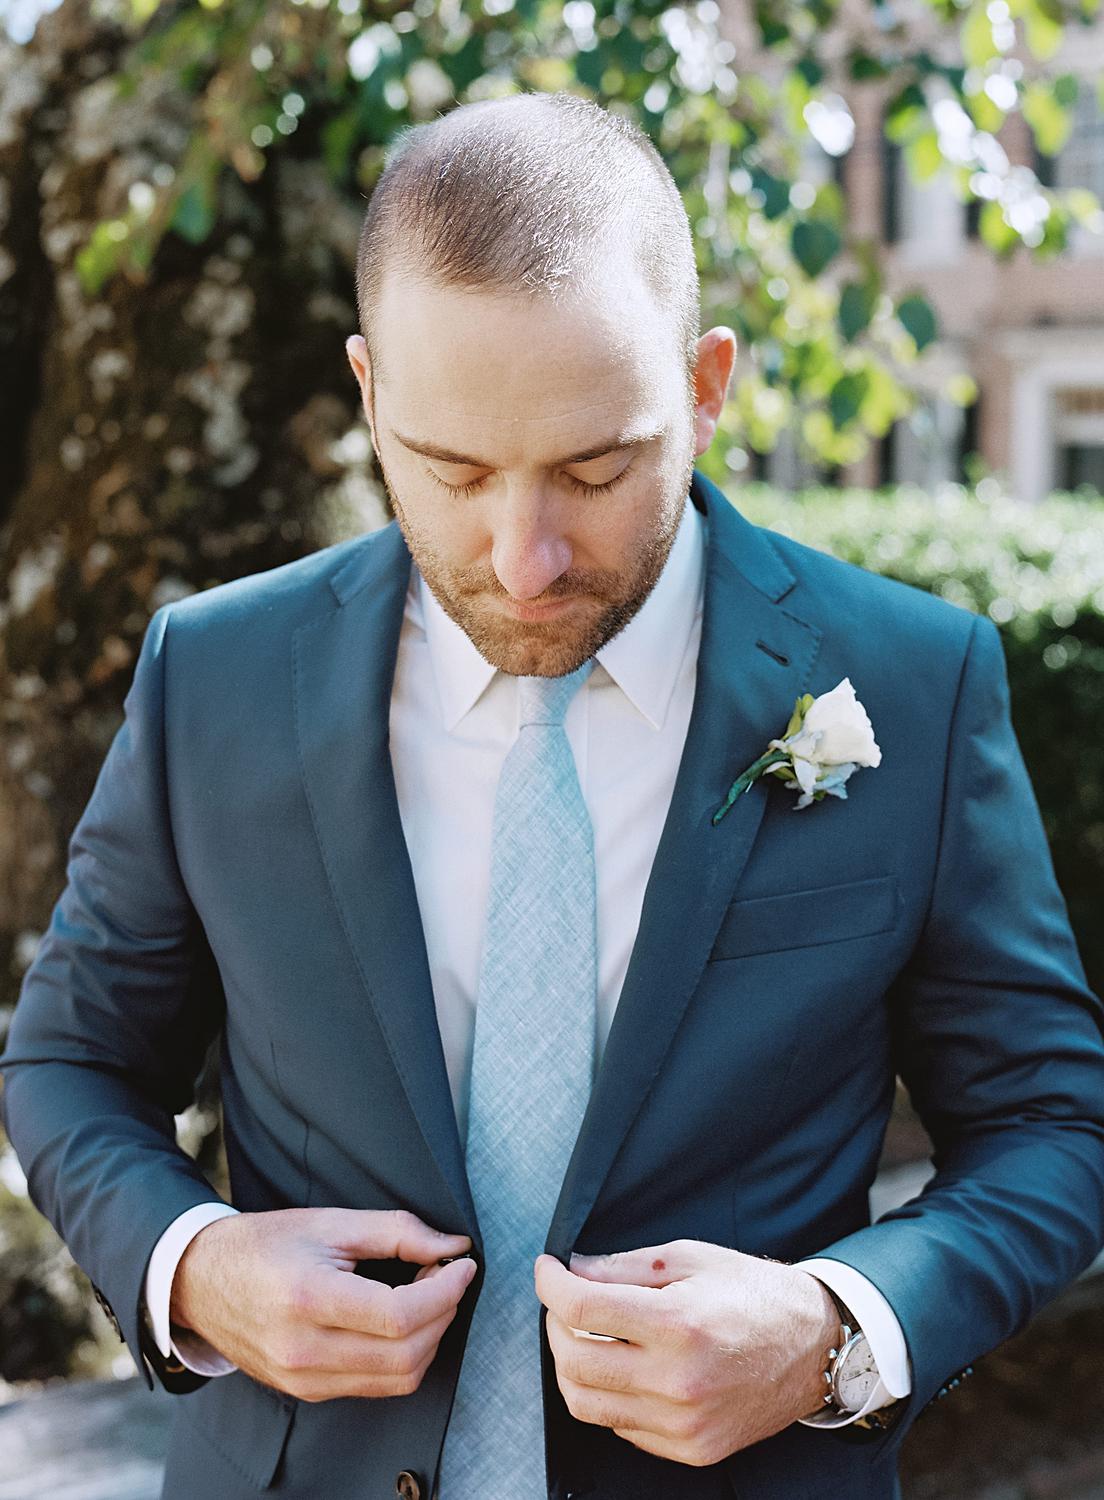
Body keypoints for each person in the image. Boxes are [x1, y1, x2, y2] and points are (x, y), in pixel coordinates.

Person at [3, 89, 1103, 1500]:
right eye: (452, 472)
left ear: (705, 388)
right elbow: (71, 1065)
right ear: (368, 392)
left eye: (597, 470)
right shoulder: (215, 677)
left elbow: (1051, 1126)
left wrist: (837, 1332)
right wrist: (195, 1265)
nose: (523, 559)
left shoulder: (914, 680)